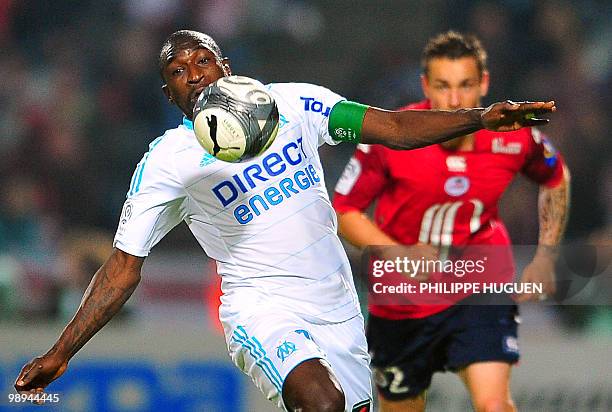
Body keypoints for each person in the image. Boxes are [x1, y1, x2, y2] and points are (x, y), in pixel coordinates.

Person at [14, 30, 555, 412]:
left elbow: (392, 128)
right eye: (177, 72)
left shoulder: (297, 105)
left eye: (202, 61)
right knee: (321, 402)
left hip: (338, 305)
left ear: (226, 67)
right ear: (169, 95)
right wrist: (61, 351)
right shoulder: (167, 162)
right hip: (261, 305)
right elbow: (122, 268)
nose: (193, 75)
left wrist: (481, 119)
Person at [333, 31, 570, 412]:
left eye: (466, 86)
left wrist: (546, 256)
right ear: (426, 85)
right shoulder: (392, 136)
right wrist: (398, 254)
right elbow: (343, 210)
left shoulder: (512, 136)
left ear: (485, 84)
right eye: (443, 86)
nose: (455, 100)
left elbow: (556, 178)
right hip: (402, 300)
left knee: (495, 405)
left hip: (480, 283)